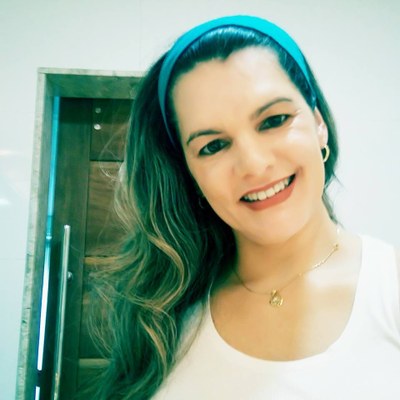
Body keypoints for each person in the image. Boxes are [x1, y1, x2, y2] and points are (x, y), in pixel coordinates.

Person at [90, 15, 400, 399]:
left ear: (318, 124)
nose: (254, 164)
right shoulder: (162, 316)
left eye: (274, 120)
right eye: (213, 146)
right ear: (190, 175)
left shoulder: (389, 288)